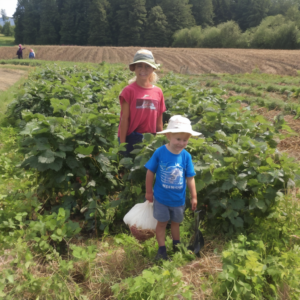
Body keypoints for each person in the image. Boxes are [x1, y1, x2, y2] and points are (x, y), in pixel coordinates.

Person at [144, 115, 202, 260]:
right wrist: (148, 191)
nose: (181, 143)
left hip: (178, 200)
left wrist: (194, 196)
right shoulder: (160, 152)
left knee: (176, 223)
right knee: (162, 223)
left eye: (185, 140)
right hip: (162, 198)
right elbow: (150, 171)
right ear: (169, 136)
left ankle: (177, 247)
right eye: (178, 139)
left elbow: (190, 177)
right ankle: (162, 250)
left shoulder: (186, 156)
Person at [118, 49, 166, 156]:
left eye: (147, 66)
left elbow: (159, 122)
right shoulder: (129, 91)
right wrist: (122, 144)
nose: (143, 69)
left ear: (153, 69)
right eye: (139, 65)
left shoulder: (158, 92)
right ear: (134, 68)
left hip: (151, 139)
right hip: (132, 138)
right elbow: (124, 119)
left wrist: (160, 142)